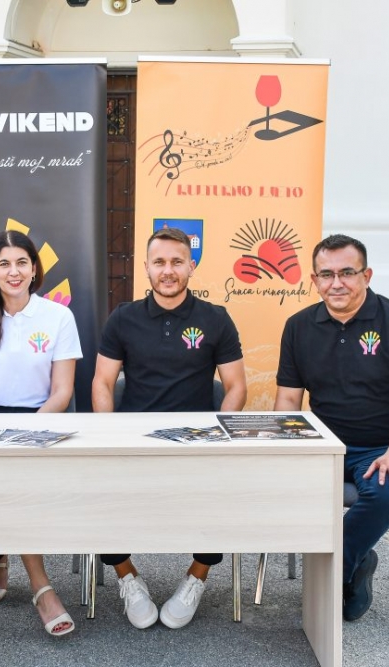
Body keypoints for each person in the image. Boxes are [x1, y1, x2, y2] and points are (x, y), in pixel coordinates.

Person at [274, 234, 389, 622]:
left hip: (388, 446)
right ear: (314, 280)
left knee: (387, 490)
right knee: (273, 482)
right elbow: (288, 402)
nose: (337, 283)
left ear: (367, 275)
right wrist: (287, 449)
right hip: (324, 445)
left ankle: (332, 580)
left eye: (347, 273)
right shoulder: (298, 327)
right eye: (326, 274)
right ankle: (357, 562)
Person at [91, 227, 247, 630]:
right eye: (159, 262)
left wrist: (219, 437)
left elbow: (235, 387)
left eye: (177, 261)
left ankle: (196, 577)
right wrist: (108, 437)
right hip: (134, 441)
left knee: (223, 489)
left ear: (191, 266)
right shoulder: (123, 318)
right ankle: (127, 575)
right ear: (146, 268)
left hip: (197, 442)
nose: (168, 270)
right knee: (98, 490)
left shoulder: (215, 318)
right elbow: (103, 383)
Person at [0, 230, 83, 637]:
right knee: (10, 476)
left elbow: (62, 391)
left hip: (43, 421)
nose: (14, 271)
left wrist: (27, 431)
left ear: (34, 269)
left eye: (22, 262)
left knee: (18, 476)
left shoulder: (58, 317)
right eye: (4, 264)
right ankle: (42, 588)